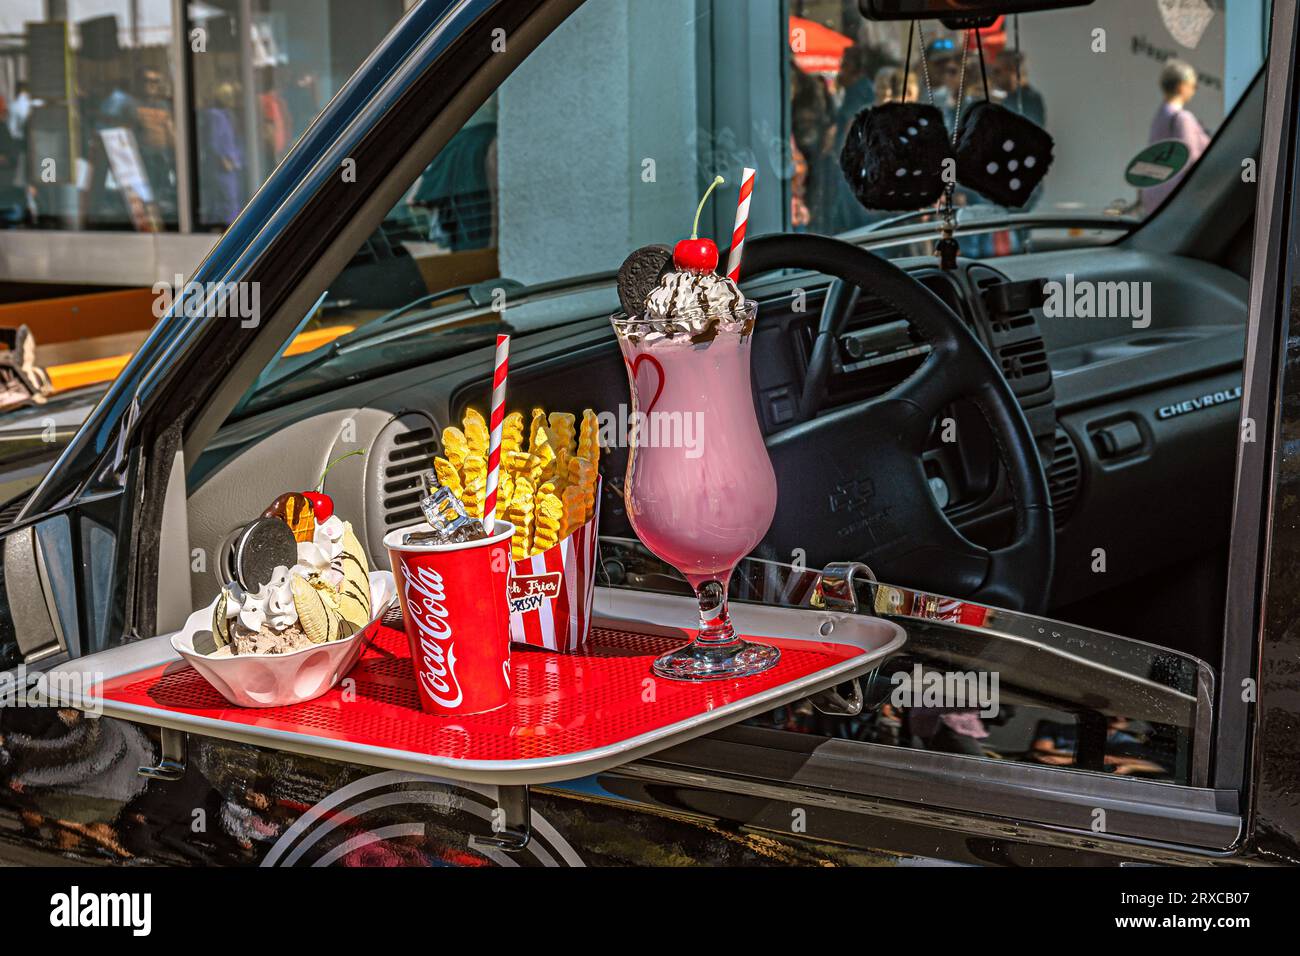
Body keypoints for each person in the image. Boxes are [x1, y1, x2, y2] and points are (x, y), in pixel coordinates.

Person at [1141, 59, 1211, 213]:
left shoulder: (1160, 116)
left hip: (1154, 196)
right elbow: (1190, 159)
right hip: (1177, 199)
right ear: (1182, 86)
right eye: (1194, 86)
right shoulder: (1183, 118)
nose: (1194, 90)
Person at [198, 82, 245, 229]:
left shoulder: (228, 115)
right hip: (221, 168)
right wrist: (223, 159)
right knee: (225, 200)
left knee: (232, 200)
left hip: (231, 166)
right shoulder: (215, 115)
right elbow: (212, 141)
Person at [994, 50, 1045, 128]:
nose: (994, 76)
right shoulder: (1014, 97)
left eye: (997, 71)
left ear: (1013, 70)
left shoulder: (1026, 99)